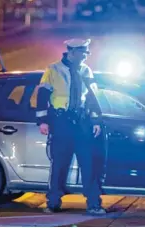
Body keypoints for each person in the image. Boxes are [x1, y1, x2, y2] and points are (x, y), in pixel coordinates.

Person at [35, 38, 106, 215]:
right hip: (61, 122)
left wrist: (96, 120)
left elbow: (93, 97)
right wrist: (43, 121)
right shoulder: (53, 69)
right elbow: (42, 95)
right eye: (82, 53)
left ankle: (93, 204)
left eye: (86, 53)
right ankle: (53, 203)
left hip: (82, 122)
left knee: (89, 164)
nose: (85, 57)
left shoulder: (85, 70)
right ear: (72, 52)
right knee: (59, 164)